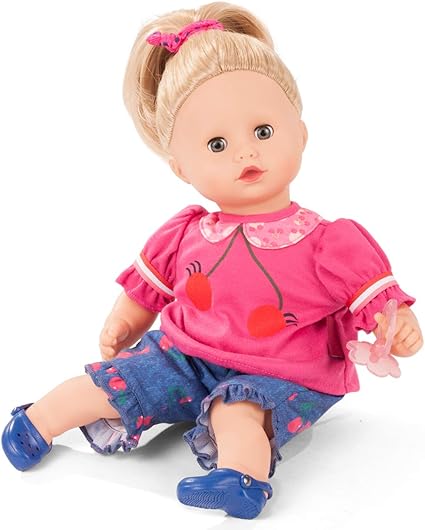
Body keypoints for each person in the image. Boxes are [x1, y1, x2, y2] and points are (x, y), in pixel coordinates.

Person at [2, 2, 422, 520]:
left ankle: (241, 479)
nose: (245, 153)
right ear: (181, 167)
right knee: (114, 381)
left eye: (263, 132)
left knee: (237, 409)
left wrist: (397, 324)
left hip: (282, 371)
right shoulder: (185, 230)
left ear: (301, 133)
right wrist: (125, 320)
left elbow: (373, 298)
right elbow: (148, 290)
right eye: (218, 144)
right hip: (183, 354)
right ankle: (35, 423)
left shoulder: (328, 241)